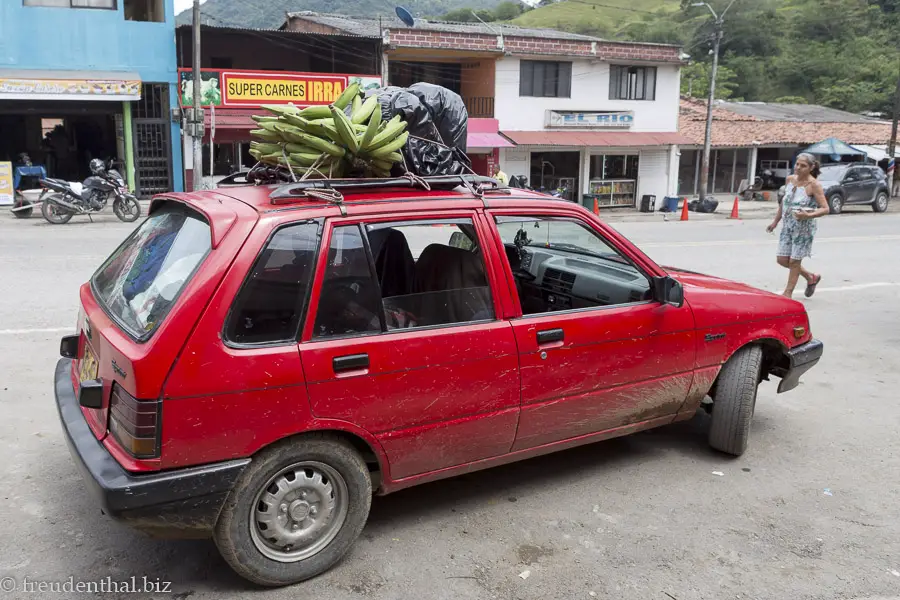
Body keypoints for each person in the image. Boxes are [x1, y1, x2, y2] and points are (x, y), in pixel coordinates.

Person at [766, 152, 829, 298]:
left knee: (794, 261)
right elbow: (784, 202)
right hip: (788, 226)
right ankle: (810, 277)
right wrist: (775, 221)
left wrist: (809, 215)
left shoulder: (814, 185)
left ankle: (788, 293)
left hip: (803, 228)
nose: (798, 168)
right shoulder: (790, 180)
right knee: (782, 259)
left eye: (803, 166)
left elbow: (825, 208)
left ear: (811, 167)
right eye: (797, 164)